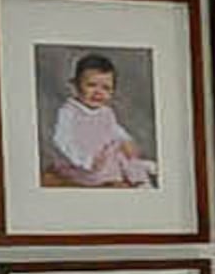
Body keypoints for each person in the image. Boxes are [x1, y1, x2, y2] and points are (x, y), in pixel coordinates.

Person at [44, 52, 156, 189]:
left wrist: (127, 141)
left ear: (112, 92)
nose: (98, 92)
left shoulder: (106, 112)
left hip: (103, 158)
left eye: (106, 88)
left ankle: (141, 179)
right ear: (75, 86)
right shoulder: (69, 112)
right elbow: (62, 141)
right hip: (80, 165)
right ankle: (135, 171)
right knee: (113, 165)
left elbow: (115, 130)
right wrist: (87, 161)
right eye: (91, 85)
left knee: (121, 151)